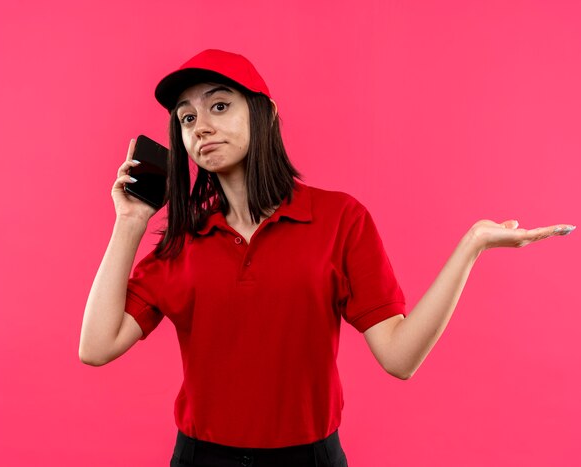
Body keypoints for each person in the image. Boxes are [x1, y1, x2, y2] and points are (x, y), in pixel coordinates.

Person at [79, 49, 576, 467]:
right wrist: (130, 222)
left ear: (264, 113)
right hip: (200, 457)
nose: (201, 126)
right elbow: (96, 347)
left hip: (309, 458)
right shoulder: (183, 241)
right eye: (187, 118)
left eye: (219, 106)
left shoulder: (340, 219)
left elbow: (400, 358)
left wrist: (471, 245)